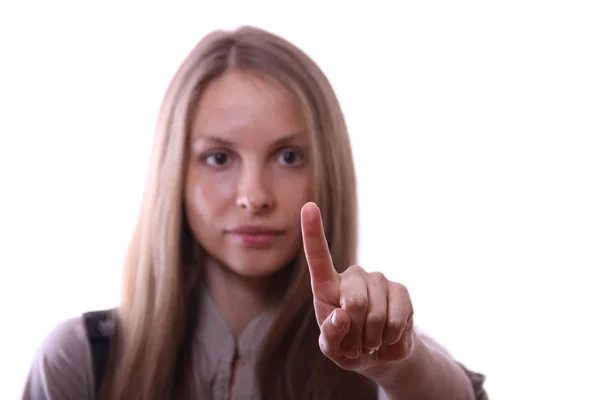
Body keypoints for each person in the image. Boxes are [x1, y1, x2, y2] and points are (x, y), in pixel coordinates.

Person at [22, 26, 487, 400]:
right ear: (174, 175)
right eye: (219, 158)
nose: (254, 196)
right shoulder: (79, 361)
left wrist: (397, 367)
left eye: (288, 157)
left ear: (328, 170)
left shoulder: (385, 358)